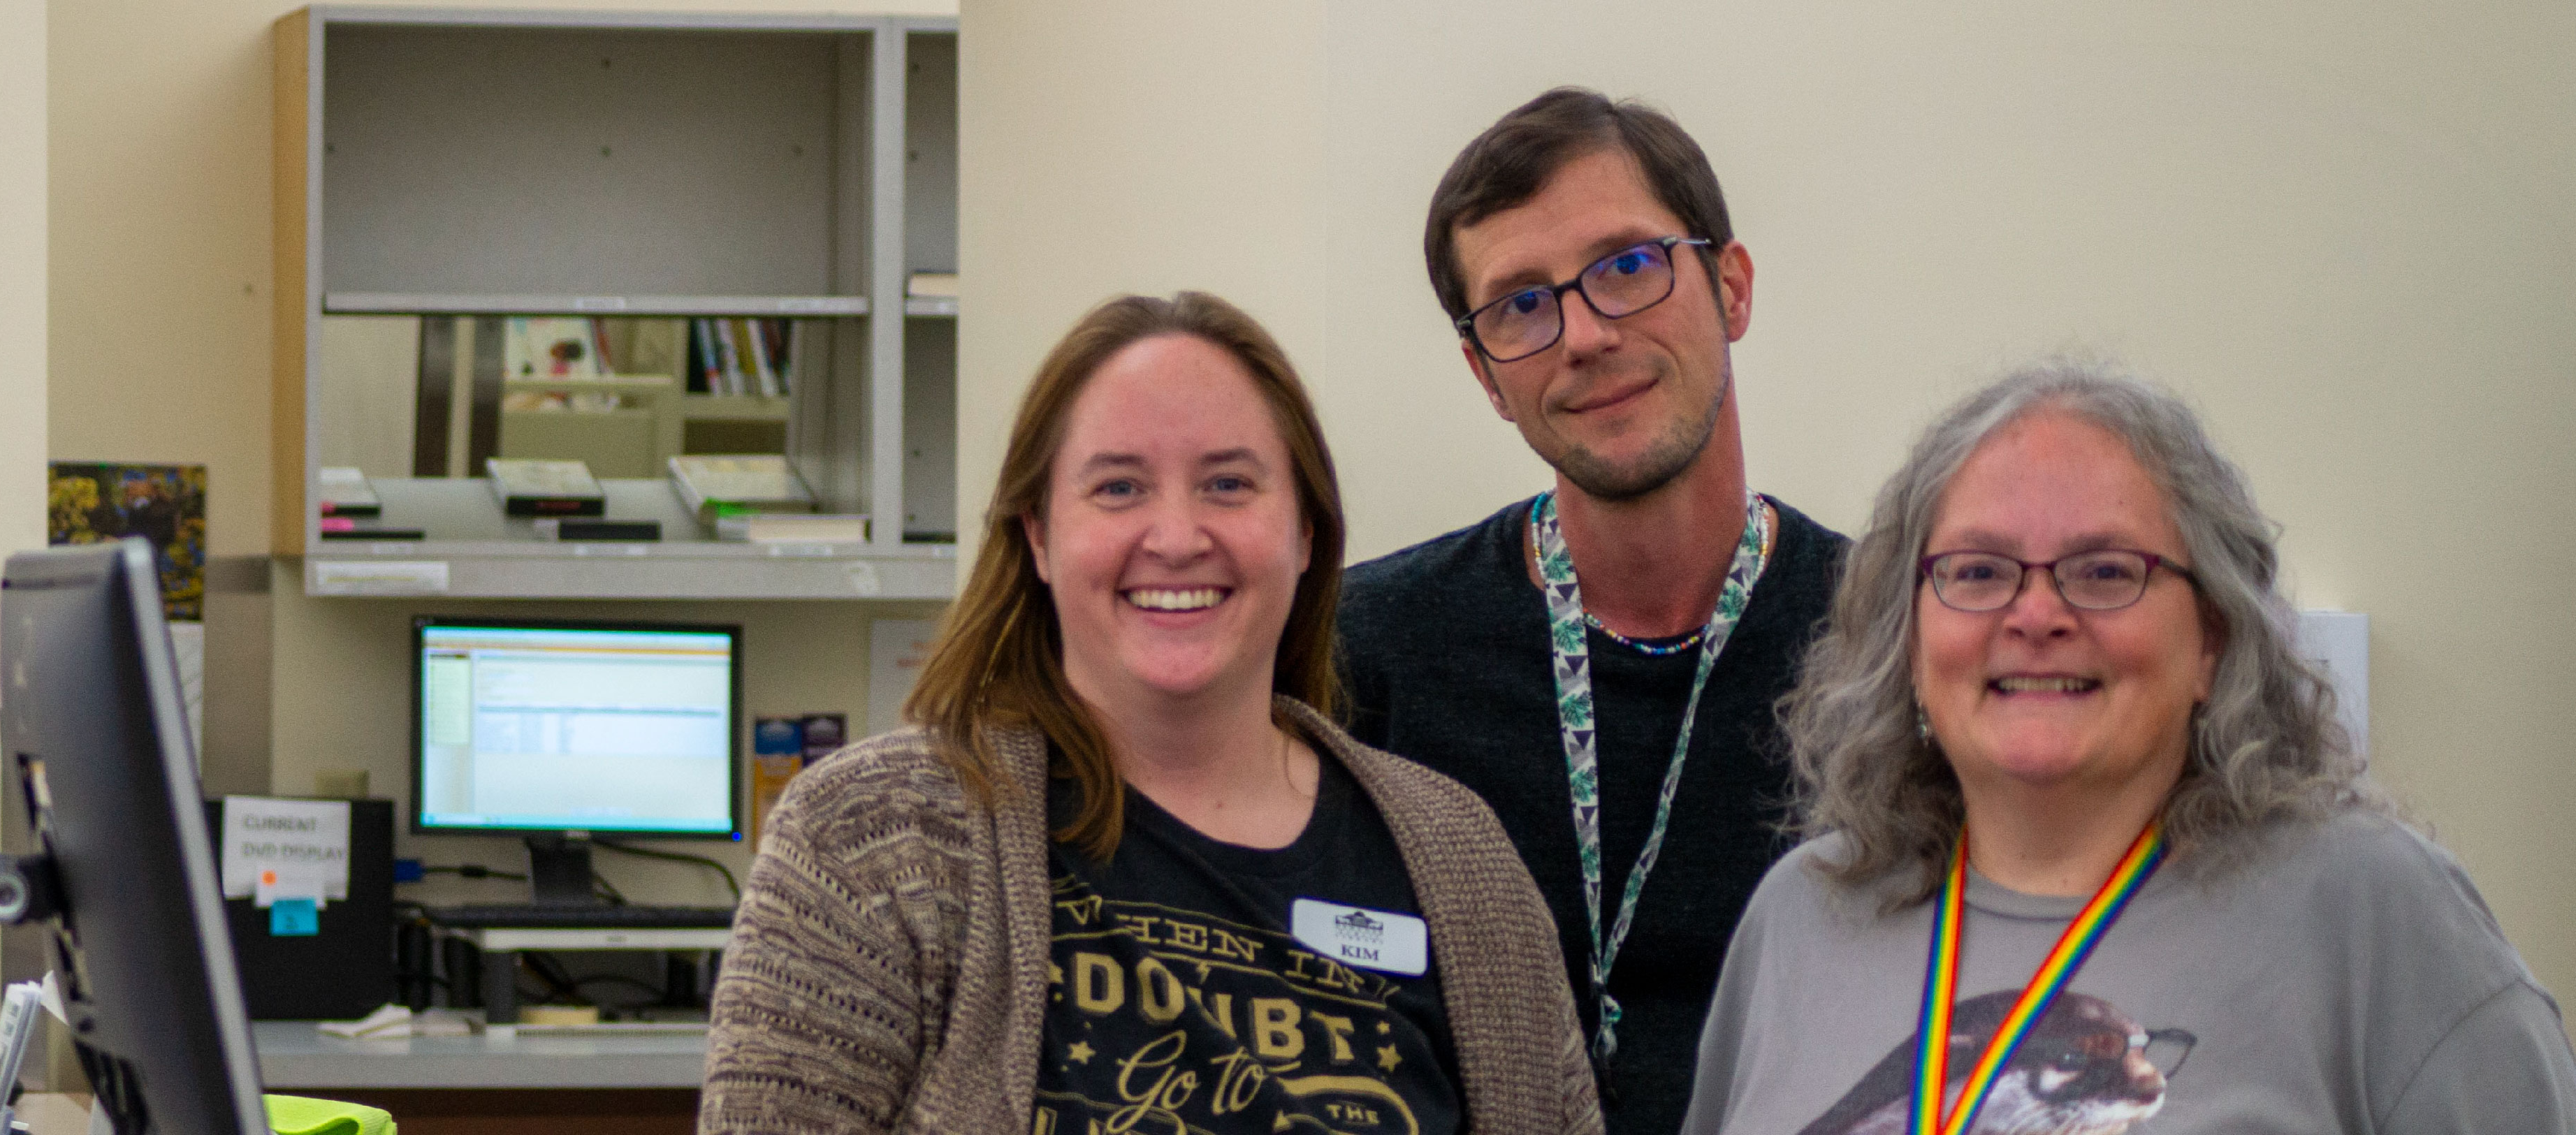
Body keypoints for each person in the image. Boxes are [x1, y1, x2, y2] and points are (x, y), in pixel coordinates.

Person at [701, 292, 1601, 1135]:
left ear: (1307, 534)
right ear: (1040, 534)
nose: (1176, 538)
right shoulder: (870, 839)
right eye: (1119, 488)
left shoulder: (1464, 863)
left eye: (1228, 484)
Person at [1684, 360, 2576, 1134]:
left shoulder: (2372, 913)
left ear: (2214, 639)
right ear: (1910, 643)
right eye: (1980, 570)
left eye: (2107, 570)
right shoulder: (1803, 913)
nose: (2036, 615)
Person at [1338, 87, 1849, 1133]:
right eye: (1519, 304)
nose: (1580, 334)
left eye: (1625, 267)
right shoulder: (1362, 654)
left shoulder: (1898, 643)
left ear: (1731, 287)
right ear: (1483, 374)